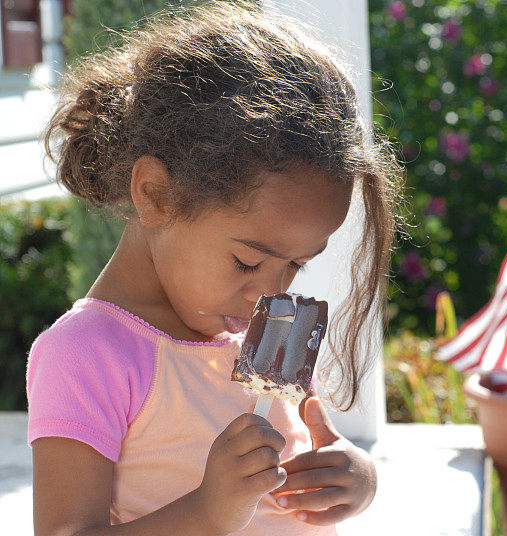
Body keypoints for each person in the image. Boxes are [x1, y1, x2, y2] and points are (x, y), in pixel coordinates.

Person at [27, 2, 404, 535]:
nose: (272, 293)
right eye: (247, 260)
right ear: (155, 194)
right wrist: (208, 511)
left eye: (297, 264)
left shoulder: (259, 331)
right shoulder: (89, 354)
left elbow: (304, 456)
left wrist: (351, 477)